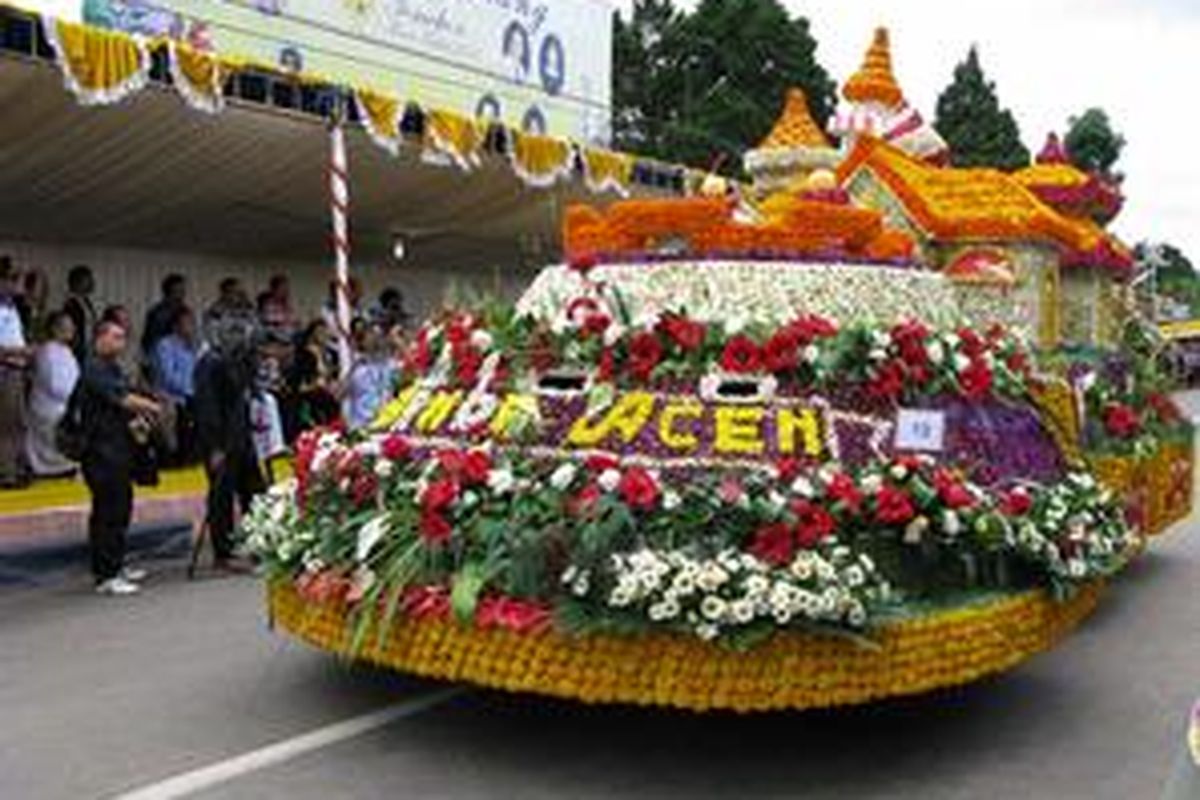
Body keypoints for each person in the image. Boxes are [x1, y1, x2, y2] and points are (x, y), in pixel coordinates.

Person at [80, 319, 162, 595]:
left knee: (121, 507)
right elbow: (122, 398)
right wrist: (153, 406)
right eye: (115, 337)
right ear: (99, 338)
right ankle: (106, 575)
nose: (121, 343)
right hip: (100, 452)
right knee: (108, 511)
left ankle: (116, 563)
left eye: (123, 338)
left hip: (117, 447)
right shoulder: (93, 368)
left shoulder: (112, 367)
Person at [193, 314, 264, 572]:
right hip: (221, 441)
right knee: (221, 496)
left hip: (241, 436)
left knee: (254, 491)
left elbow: (243, 395)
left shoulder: (236, 362)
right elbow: (207, 408)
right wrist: (215, 447)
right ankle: (223, 552)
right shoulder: (209, 364)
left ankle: (256, 543)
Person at [25, 311, 80, 478]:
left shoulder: (66, 351)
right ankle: (49, 467)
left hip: (66, 403)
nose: (72, 329)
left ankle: (62, 465)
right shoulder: (47, 351)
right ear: (55, 329)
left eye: (72, 326)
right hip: (50, 405)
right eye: (67, 326)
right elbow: (54, 384)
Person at [151, 307, 201, 463]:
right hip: (171, 396)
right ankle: (177, 457)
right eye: (187, 323)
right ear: (176, 326)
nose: (191, 327)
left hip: (193, 395)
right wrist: (191, 392)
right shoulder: (165, 345)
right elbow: (168, 377)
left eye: (192, 323)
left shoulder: (195, 345)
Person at [0, 257, 32, 488]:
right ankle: (7, 473)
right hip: (5, 370)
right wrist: (23, 350)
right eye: (12, 278)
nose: (17, 284)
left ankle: (17, 468)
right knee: (7, 423)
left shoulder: (12, 307)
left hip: (16, 369)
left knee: (17, 423)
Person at [287, 319, 340, 438]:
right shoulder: (303, 355)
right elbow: (299, 384)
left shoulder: (330, 353)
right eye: (321, 332)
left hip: (328, 398)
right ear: (312, 334)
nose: (325, 335)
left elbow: (333, 374)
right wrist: (316, 384)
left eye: (326, 331)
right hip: (309, 401)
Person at [341, 322, 397, 431]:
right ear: (362, 342)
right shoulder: (357, 368)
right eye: (370, 336)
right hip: (361, 425)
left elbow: (416, 373)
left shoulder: (388, 364)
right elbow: (340, 394)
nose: (376, 341)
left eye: (378, 337)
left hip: (386, 422)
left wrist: (399, 343)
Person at [141, 273, 188, 359]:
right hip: (163, 358)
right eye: (179, 290)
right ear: (170, 291)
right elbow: (151, 341)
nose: (183, 293)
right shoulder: (158, 313)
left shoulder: (184, 310)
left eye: (183, 290)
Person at [62, 264, 96, 365]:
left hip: (88, 347)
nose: (92, 282)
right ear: (79, 282)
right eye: (88, 279)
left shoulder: (86, 301)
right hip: (78, 348)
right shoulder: (70, 304)